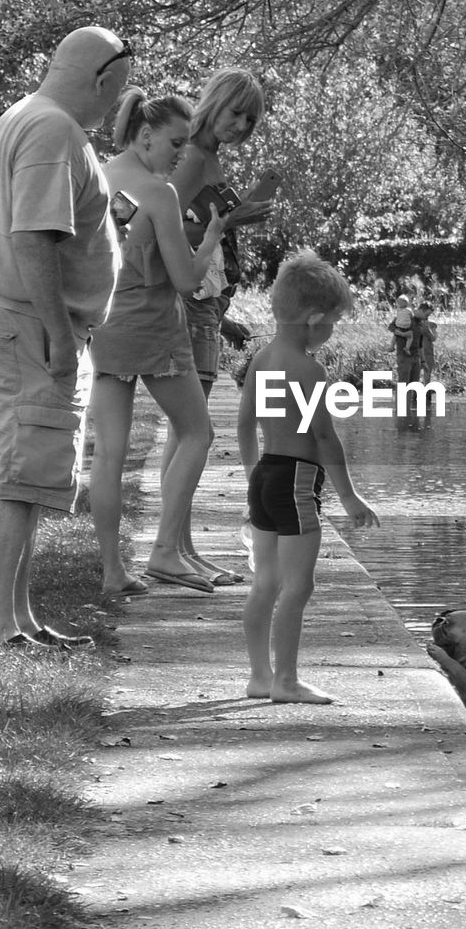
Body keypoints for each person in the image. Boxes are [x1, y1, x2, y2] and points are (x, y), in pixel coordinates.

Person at [0, 25, 132, 649]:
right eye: (115, 93)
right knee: (19, 476)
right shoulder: (53, 129)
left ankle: (19, 618)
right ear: (101, 79)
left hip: (26, 323)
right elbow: (33, 238)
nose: (115, 107)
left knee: (30, 474)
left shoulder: (26, 115)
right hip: (33, 326)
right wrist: (63, 339)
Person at [89, 86, 228, 598]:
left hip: (104, 328)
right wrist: (212, 238)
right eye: (175, 143)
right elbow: (188, 280)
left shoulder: (97, 177)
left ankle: (112, 571)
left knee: (108, 456)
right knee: (197, 433)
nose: (180, 155)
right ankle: (167, 551)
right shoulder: (158, 192)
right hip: (154, 328)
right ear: (146, 135)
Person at [237, 250, 379, 703]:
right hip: (298, 481)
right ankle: (286, 681)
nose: (332, 330)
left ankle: (259, 676)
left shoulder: (261, 357)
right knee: (299, 585)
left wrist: (250, 476)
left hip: (265, 476)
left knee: (265, 582)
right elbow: (323, 438)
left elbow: (244, 423)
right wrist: (351, 498)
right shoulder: (309, 369)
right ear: (315, 318)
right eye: (334, 321)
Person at [164, 67, 275, 585]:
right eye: (236, 113)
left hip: (207, 305)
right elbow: (155, 225)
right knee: (191, 432)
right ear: (214, 103)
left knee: (186, 432)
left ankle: (181, 546)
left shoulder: (207, 158)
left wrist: (236, 214)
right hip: (190, 304)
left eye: (250, 121)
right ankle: (172, 548)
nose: (241, 126)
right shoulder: (192, 157)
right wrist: (229, 220)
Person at [415, 300, 437, 382]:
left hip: (427, 351)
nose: (427, 316)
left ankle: (425, 392)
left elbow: (433, 338)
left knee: (427, 375)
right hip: (418, 351)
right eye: (427, 314)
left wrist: (431, 329)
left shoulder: (430, 324)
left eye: (429, 315)